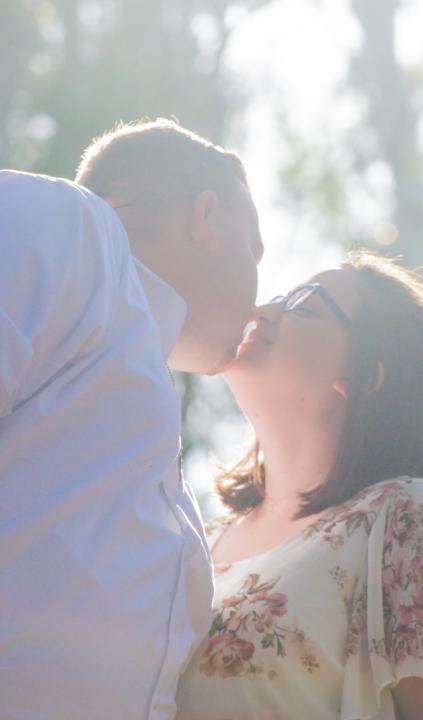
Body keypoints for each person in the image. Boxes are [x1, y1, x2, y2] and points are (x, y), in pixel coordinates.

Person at [176, 251, 423, 720]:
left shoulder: (408, 521)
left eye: (304, 306)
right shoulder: (195, 539)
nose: (260, 312)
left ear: (363, 376)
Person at [0, 119, 263, 719]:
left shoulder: (139, 384)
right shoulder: (67, 227)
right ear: (207, 218)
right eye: (255, 249)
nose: (260, 290)